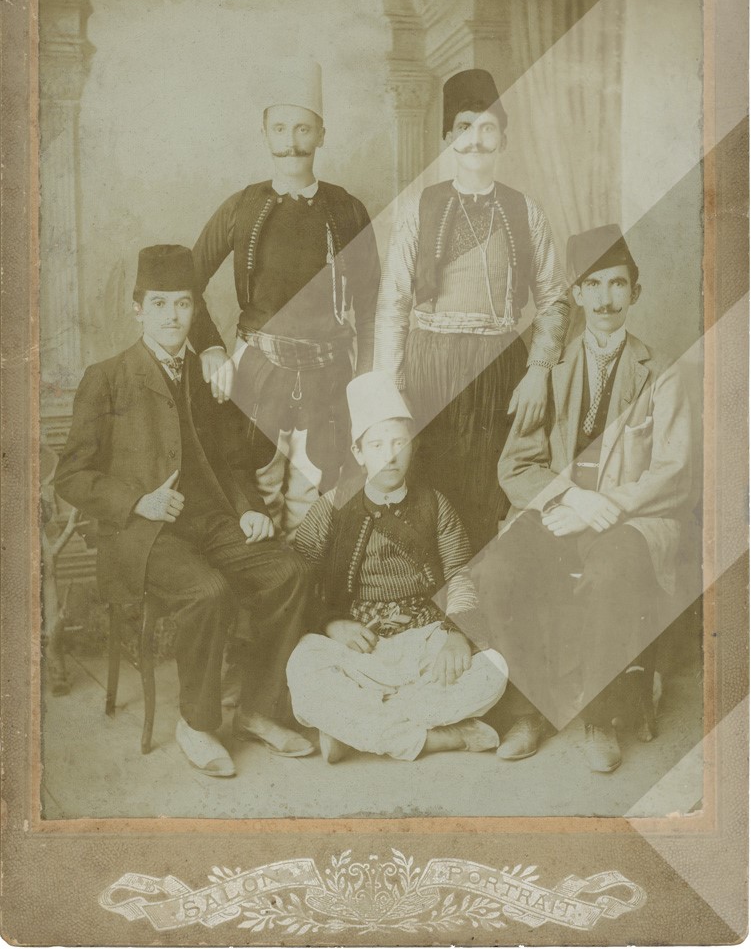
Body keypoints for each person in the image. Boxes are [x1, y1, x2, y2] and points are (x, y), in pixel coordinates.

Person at [55, 245, 314, 779]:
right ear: (137, 310)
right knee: (208, 591)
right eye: (159, 304)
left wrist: (249, 510)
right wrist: (137, 501)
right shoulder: (107, 376)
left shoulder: (205, 376)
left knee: (289, 571)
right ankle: (197, 724)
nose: (172, 316)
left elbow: (233, 462)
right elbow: (71, 477)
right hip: (140, 536)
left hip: (209, 523)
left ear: (196, 309)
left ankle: (257, 710)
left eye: (183, 304)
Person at [475, 224, 693, 772]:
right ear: (575, 294)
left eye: (616, 284)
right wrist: (572, 500)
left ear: (635, 292)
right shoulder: (550, 371)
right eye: (592, 285)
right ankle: (530, 709)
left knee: (613, 570)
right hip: (561, 510)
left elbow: (674, 471)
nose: (604, 299)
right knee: (497, 571)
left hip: (633, 518)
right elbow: (516, 465)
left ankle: (600, 715)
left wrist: (607, 506)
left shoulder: (661, 372)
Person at [374, 68, 569, 549]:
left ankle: (478, 590)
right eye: (464, 127)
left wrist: (538, 371)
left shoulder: (527, 211)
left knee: (487, 493)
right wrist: (391, 389)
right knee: (426, 492)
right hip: (428, 365)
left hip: (499, 368)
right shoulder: (418, 208)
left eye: (487, 128)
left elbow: (554, 299)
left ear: (503, 139)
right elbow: (393, 303)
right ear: (448, 138)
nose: (476, 139)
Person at [190, 58, 381, 541]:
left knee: (314, 496)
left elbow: (371, 303)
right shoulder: (241, 206)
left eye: (303, 128)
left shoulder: (348, 209)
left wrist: (364, 375)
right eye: (280, 128)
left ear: (322, 134)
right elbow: (187, 282)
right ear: (264, 134)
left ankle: (307, 588)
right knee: (260, 492)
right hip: (257, 371)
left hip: (330, 375)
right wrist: (210, 346)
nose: (291, 141)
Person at [286, 371, 508, 763]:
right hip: (359, 644)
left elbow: (459, 573)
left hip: (423, 639)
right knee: (303, 665)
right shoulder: (332, 505)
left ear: (413, 445)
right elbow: (298, 575)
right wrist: (329, 623)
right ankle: (443, 738)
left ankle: (352, 728)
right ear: (358, 452)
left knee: (494, 669)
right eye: (376, 444)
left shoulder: (435, 505)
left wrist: (457, 636)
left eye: (398, 442)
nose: (389, 455)